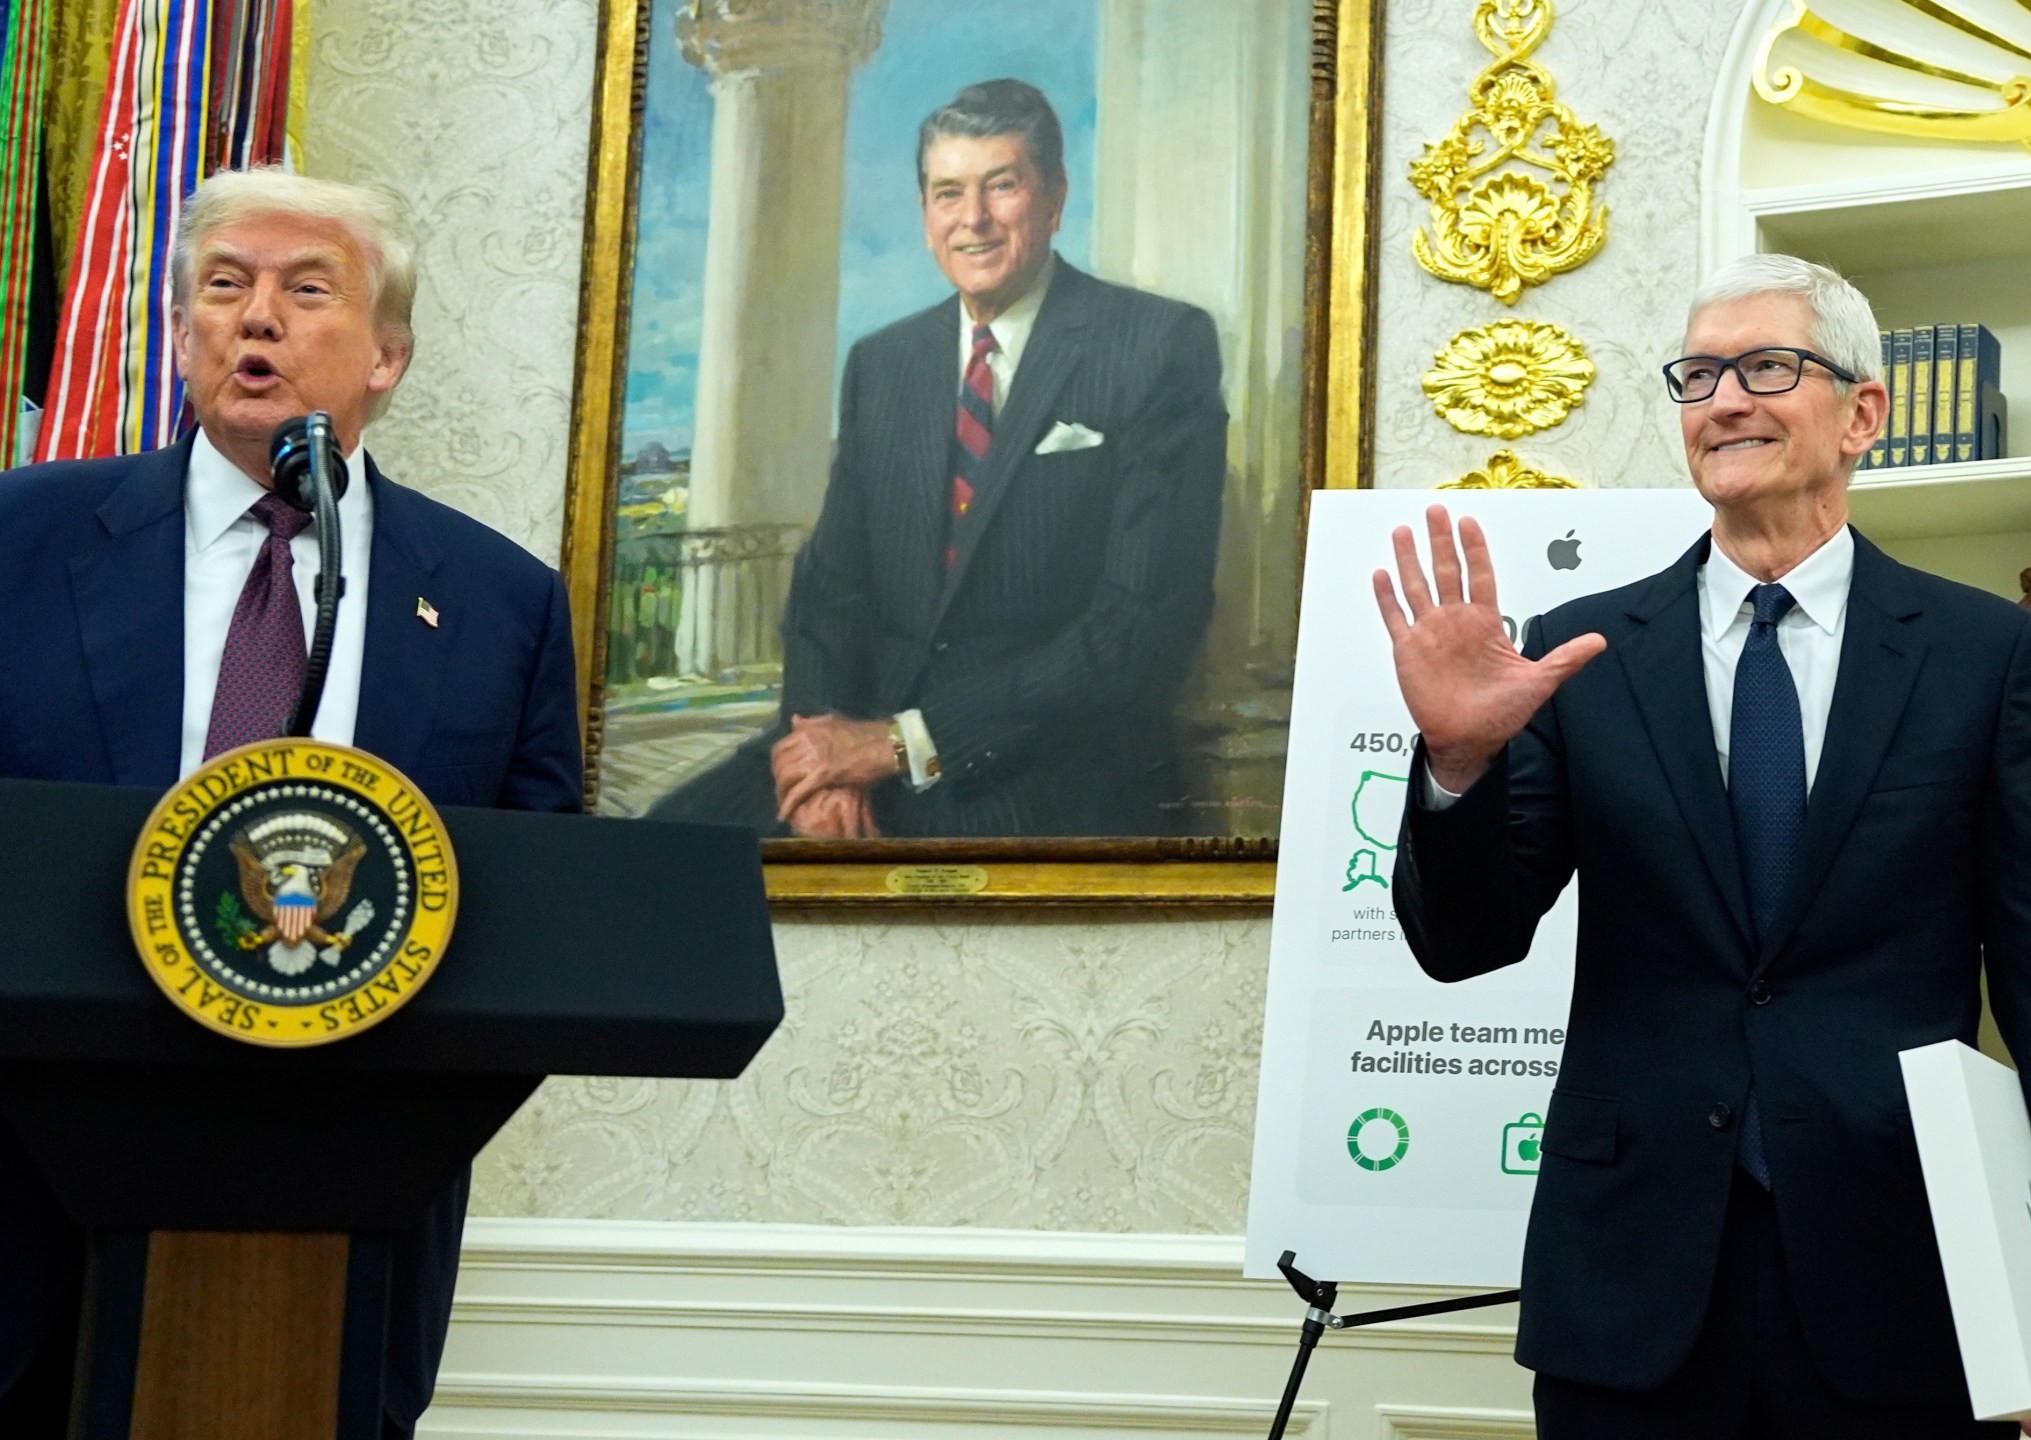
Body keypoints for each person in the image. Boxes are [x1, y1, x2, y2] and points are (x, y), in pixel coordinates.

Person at [1374, 254, 2031, 1439]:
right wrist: (1456, 765)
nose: (1724, 400)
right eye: (1698, 375)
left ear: (1863, 414)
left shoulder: (1978, 652)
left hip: (1898, 1278)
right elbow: (1464, 944)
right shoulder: (1578, 653)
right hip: (1631, 1285)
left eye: (1766, 367)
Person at [0, 167, 580, 1438]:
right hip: (24, 1204)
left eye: (306, 290)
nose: (255, 317)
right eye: (225, 286)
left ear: (388, 355)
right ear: (184, 336)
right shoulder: (19, 544)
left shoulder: (499, 603)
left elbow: (540, 907)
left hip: (348, 1206)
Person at [653, 77, 1228, 838]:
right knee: (655, 858)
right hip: (860, 749)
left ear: (1053, 197)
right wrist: (821, 758)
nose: (974, 220)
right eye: (948, 193)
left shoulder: (1156, 347)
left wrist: (900, 745)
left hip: (1042, 761)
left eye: (1002, 187)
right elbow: (830, 590)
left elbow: (1136, 633)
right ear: (925, 214)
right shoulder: (884, 364)